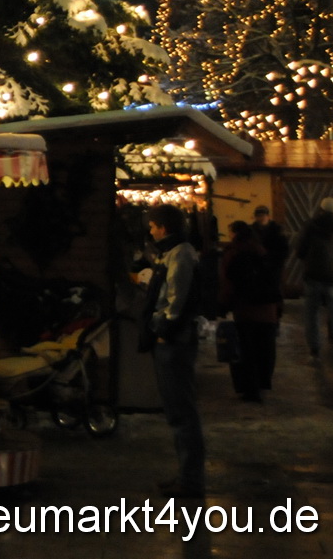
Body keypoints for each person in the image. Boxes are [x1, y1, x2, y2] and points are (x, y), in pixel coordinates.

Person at [139, 204, 204, 497]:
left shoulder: (179, 254)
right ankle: (186, 476)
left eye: (153, 226)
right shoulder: (176, 252)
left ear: (163, 227)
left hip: (174, 341)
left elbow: (176, 298)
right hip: (172, 339)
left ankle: (190, 481)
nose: (151, 231)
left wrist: (164, 329)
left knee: (181, 412)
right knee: (178, 411)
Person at [219, 221, 281, 401]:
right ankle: (262, 384)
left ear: (234, 234)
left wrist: (223, 304)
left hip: (245, 309)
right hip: (267, 309)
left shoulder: (233, 253)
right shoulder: (262, 251)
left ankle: (250, 389)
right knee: (265, 349)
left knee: (246, 350)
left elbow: (227, 283)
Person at [295, 197, 333, 358]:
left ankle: (314, 347)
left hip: (313, 276)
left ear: (321, 209)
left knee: (312, 313)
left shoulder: (310, 226)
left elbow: (300, 250)